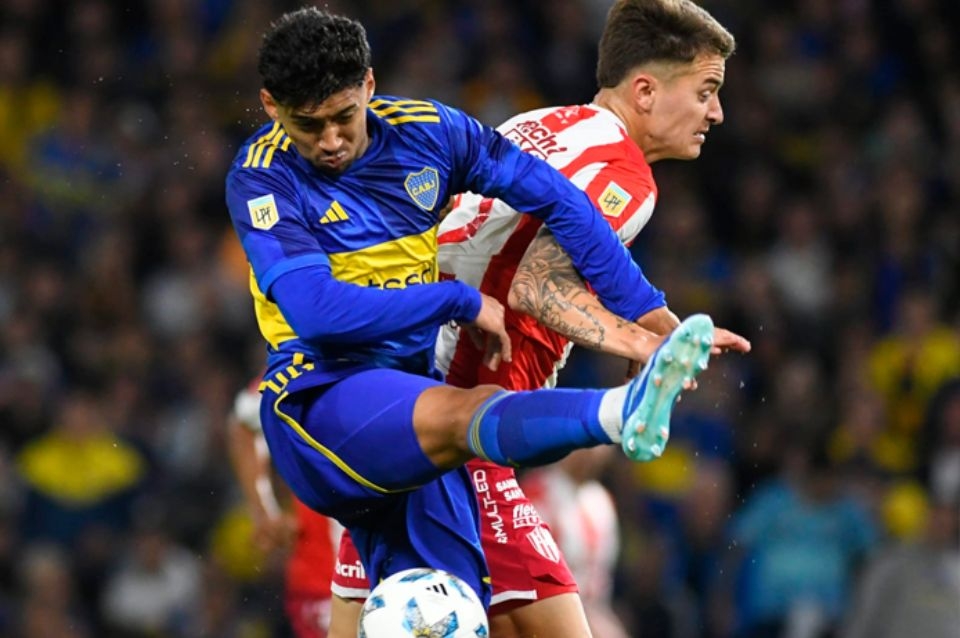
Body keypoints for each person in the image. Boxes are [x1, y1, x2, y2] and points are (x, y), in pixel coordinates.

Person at [225, 6, 717, 609]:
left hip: (414, 408)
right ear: (271, 106)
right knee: (470, 412)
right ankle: (618, 414)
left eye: (343, 117)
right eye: (308, 125)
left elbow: (561, 201)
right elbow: (318, 313)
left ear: (370, 86)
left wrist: (647, 310)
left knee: (453, 614)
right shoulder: (262, 179)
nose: (330, 141)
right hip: (320, 396)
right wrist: (457, 299)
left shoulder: (430, 133)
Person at [227, 375, 340, 638]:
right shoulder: (301, 366)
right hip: (324, 578)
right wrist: (264, 510)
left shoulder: (412, 358)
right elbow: (244, 421)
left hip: (407, 564)